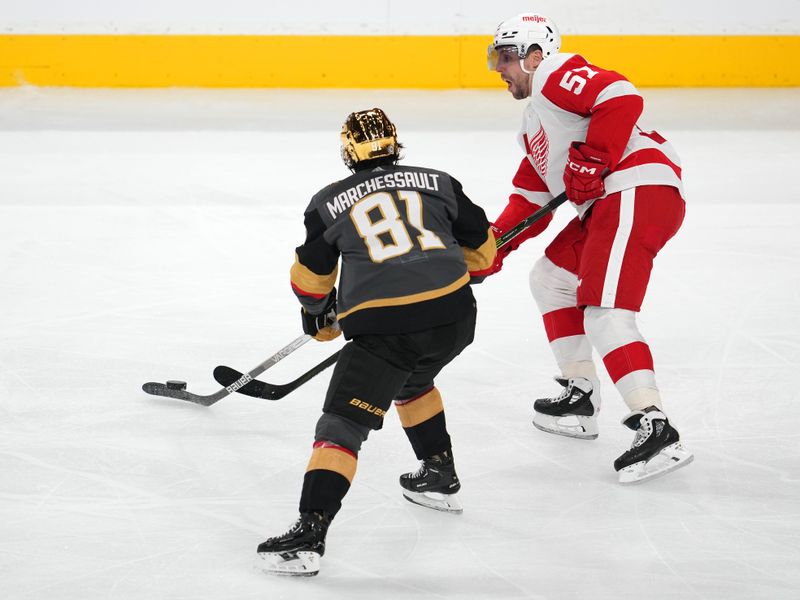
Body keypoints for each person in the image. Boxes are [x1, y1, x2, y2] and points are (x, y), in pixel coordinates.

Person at [255, 108, 496, 576]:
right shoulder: (440, 181)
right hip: (454, 320)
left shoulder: (328, 203)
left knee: (341, 426)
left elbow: (311, 280)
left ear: (349, 151)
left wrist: (317, 315)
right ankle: (438, 474)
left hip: (387, 334)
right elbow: (482, 254)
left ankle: (309, 532)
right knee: (412, 380)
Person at [479, 13, 694, 484]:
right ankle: (579, 395)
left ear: (537, 55)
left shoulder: (556, 74)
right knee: (551, 278)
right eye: (495, 58)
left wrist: (594, 159)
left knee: (605, 311)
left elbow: (620, 96)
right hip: (610, 203)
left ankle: (655, 425)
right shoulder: (534, 120)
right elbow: (530, 200)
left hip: (636, 187)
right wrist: (490, 249)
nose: (500, 68)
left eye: (507, 56)